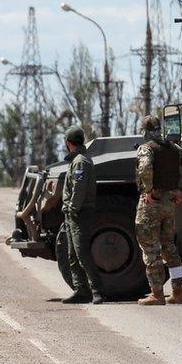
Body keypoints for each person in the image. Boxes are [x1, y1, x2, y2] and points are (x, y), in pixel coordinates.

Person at [134, 115, 182, 306]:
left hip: (151, 204)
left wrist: (149, 190)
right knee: (169, 247)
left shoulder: (146, 148)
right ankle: (178, 292)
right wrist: (181, 189)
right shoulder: (173, 148)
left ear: (145, 131)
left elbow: (146, 167)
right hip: (169, 204)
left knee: (150, 248)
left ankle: (157, 294)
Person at [60, 126, 105, 305]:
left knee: (82, 253)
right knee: (72, 254)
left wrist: (72, 207)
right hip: (73, 213)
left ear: (68, 143)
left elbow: (79, 189)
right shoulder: (78, 160)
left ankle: (97, 290)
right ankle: (81, 290)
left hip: (79, 213)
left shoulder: (80, 162)